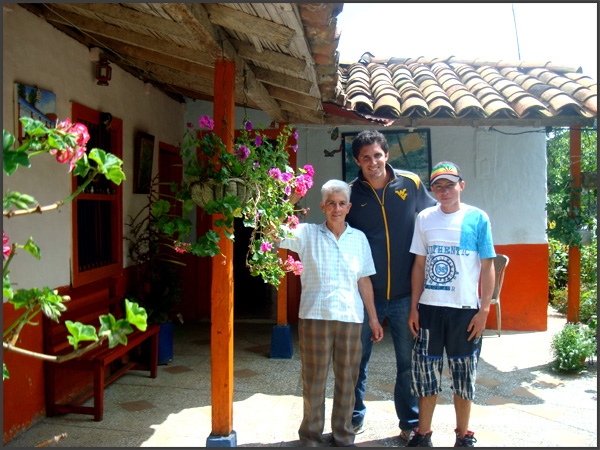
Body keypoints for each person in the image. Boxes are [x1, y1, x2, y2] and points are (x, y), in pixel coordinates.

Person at [279, 179, 384, 447]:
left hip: (350, 319)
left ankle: (343, 434)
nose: (336, 208)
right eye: (331, 204)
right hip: (315, 317)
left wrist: (373, 318)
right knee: (313, 381)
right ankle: (311, 436)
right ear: (322, 206)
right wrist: (291, 198)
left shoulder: (358, 239)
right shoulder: (307, 234)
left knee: (348, 381)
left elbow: (364, 281)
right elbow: (272, 232)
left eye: (341, 204)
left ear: (348, 207)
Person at [347, 130, 436, 442]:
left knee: (408, 365)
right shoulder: (350, 193)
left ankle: (409, 423)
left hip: (404, 295)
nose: (373, 162)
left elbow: (432, 219)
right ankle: (353, 419)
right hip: (364, 296)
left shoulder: (410, 184)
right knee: (356, 363)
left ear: (387, 154)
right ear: (357, 160)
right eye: (366, 157)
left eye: (377, 155)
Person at [406, 161, 495, 447]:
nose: (444, 191)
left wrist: (484, 310)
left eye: (450, 184)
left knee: (463, 375)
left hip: (465, 312)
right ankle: (423, 434)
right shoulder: (425, 218)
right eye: (438, 186)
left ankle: (463, 434)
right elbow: (419, 265)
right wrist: (414, 307)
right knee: (425, 375)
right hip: (430, 310)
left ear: (461, 185)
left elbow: (487, 265)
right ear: (432, 190)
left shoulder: (477, 218)